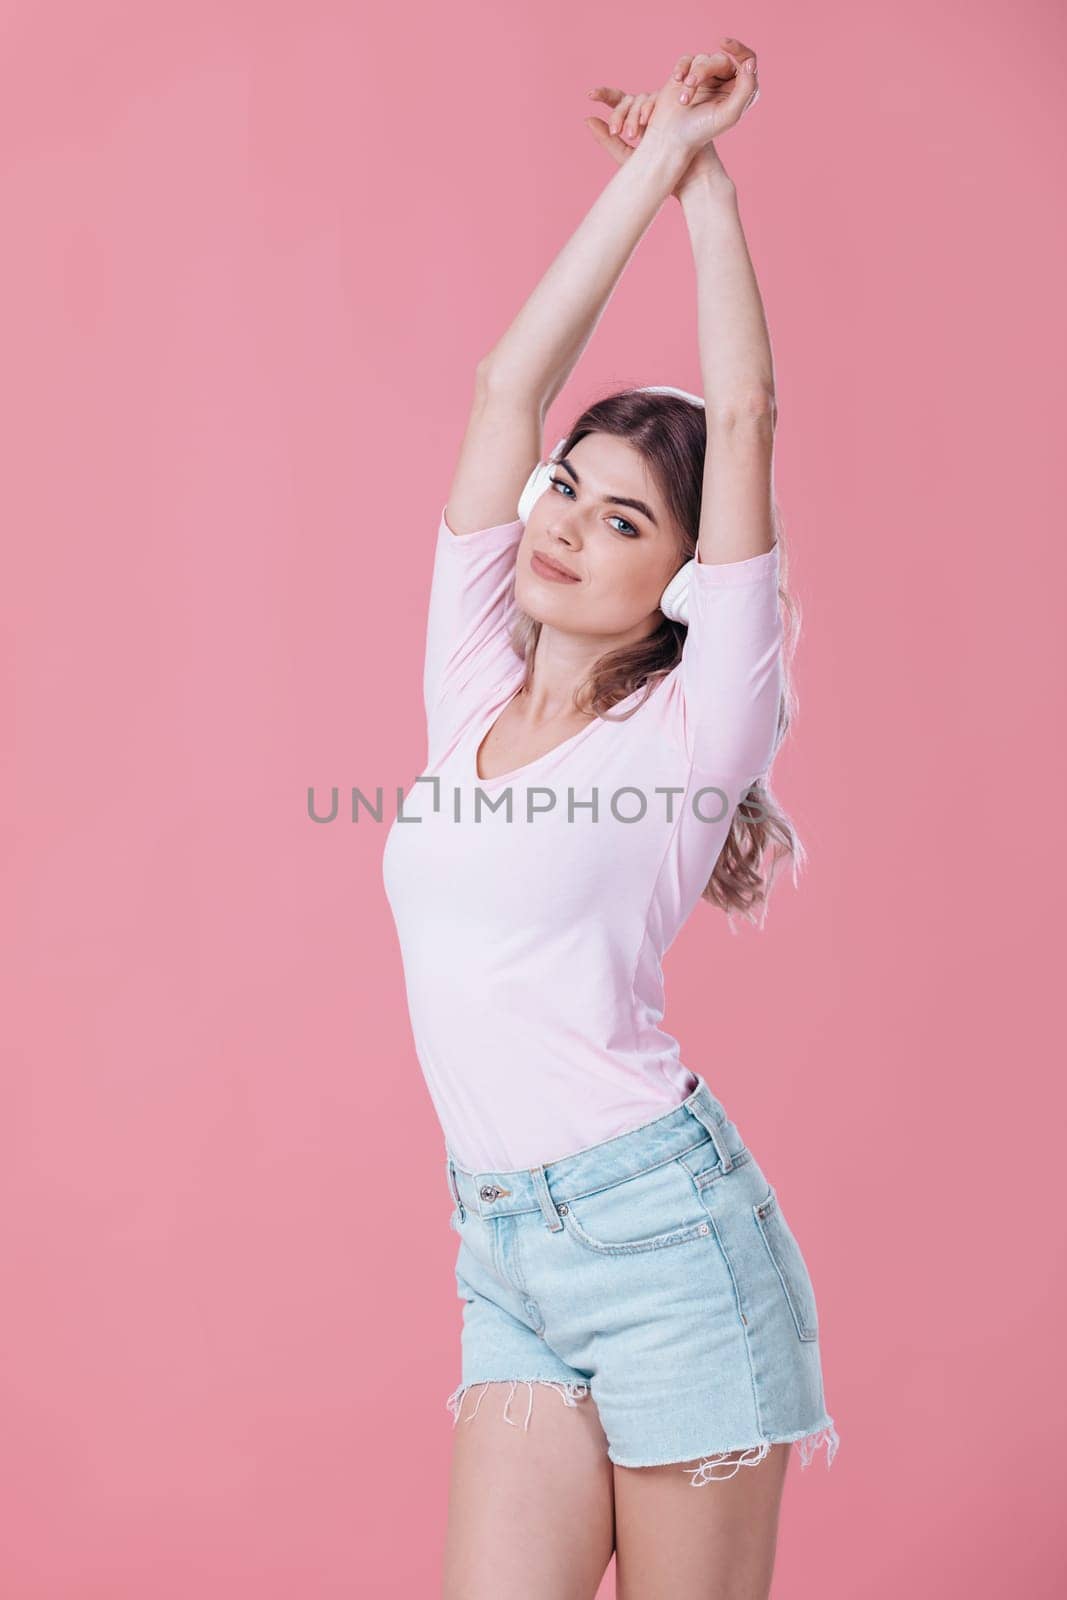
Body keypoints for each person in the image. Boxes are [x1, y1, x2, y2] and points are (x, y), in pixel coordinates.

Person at [381, 39, 839, 1600]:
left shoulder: (699, 723)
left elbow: (753, 412)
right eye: (568, 490)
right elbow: (508, 387)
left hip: (665, 1246)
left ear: (683, 579)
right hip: (502, 1255)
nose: (568, 523)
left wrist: (711, 188)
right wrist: (645, 166)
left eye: (624, 517)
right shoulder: (469, 677)